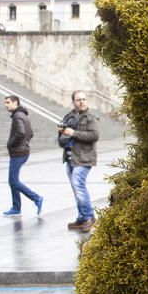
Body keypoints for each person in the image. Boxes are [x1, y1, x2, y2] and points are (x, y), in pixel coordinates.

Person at [59, 90, 100, 232]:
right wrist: (63, 134)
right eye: (78, 100)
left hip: (84, 158)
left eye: (84, 99)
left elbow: (94, 136)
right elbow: (62, 135)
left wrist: (73, 133)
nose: (81, 102)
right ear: (73, 102)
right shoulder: (68, 117)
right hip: (70, 158)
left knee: (78, 184)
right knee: (76, 188)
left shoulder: (90, 118)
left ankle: (89, 217)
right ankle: (82, 217)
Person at [2, 95, 44, 217]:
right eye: (5, 102)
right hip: (21, 151)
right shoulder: (23, 115)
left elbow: (21, 133)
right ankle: (16, 207)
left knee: (13, 180)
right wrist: (25, 143)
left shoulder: (17, 116)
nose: (6, 105)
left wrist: (11, 144)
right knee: (13, 180)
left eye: (8, 102)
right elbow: (30, 133)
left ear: (15, 103)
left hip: (18, 152)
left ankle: (36, 198)